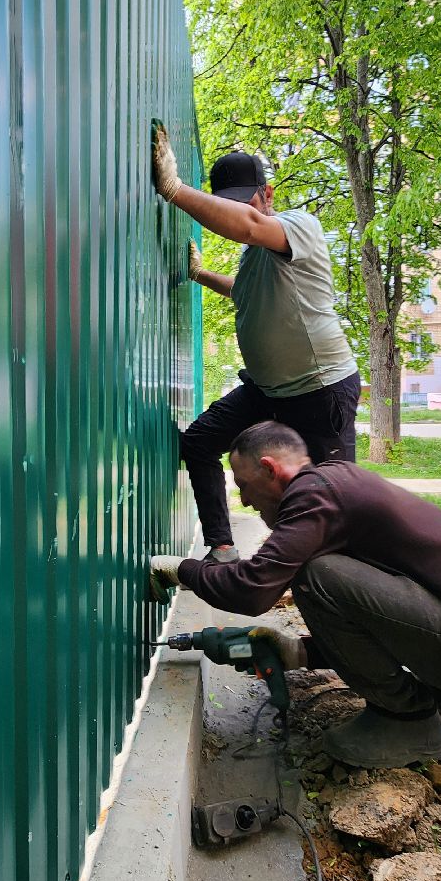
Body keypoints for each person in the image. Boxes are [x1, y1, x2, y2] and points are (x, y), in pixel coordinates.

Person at [148, 421, 441, 769]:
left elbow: (253, 589)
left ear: (270, 469)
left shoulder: (314, 495)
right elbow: (384, 616)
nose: (247, 501)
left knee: (316, 574)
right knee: (323, 571)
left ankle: (406, 720)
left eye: (245, 487)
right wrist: (301, 653)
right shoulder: (336, 486)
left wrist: (180, 569)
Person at [151, 125, 360, 563]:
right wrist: (200, 275)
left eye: (244, 200)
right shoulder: (256, 257)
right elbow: (247, 291)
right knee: (201, 442)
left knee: (328, 501)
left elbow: (247, 227)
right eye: (226, 201)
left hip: (319, 390)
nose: (237, 209)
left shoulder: (298, 226)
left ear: (266, 194)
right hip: (268, 391)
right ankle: (222, 549)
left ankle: (338, 587)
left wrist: (172, 188)